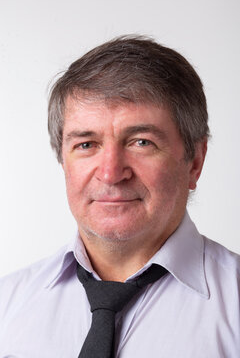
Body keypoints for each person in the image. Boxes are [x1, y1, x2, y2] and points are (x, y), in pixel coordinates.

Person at [0, 35, 239, 358]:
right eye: (86, 145)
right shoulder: (8, 305)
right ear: (63, 161)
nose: (111, 173)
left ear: (194, 162)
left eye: (141, 142)